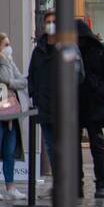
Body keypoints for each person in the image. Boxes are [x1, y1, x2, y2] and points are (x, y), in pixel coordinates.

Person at [27, 11, 83, 184]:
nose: (50, 24)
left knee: (65, 147)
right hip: (44, 106)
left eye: (54, 21)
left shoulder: (68, 46)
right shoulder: (39, 49)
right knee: (51, 147)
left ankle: (70, 181)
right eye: (48, 21)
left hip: (63, 107)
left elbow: (79, 73)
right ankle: (60, 182)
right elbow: (32, 75)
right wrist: (34, 96)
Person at [0, 33, 30, 203]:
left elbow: (22, 81)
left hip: (11, 114)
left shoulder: (9, 60)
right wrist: (6, 67)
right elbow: (2, 78)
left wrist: (9, 83)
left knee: (9, 151)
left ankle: (10, 187)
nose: (8, 47)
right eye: (6, 44)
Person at [74, 19, 104, 198]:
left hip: (92, 104)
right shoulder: (74, 50)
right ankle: (81, 184)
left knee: (96, 145)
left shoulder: (99, 49)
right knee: (89, 146)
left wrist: (101, 93)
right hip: (79, 104)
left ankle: (100, 184)